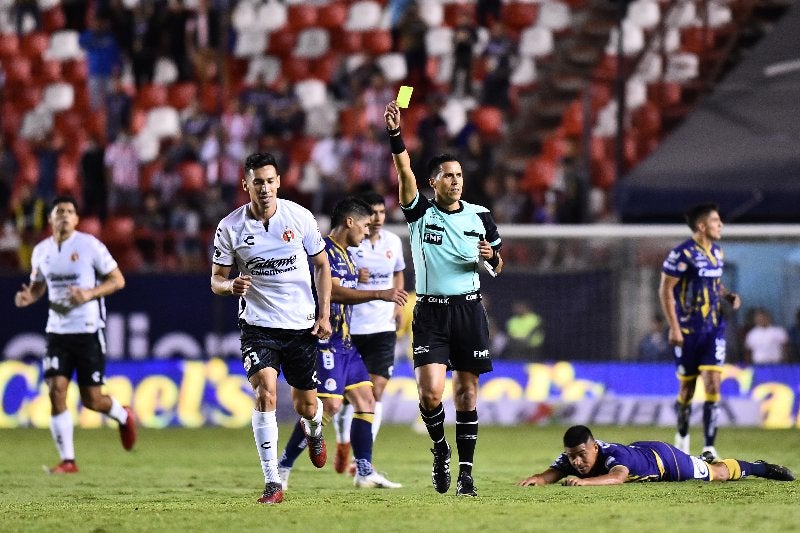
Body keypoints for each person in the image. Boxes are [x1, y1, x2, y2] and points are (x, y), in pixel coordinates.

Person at [384, 100, 504, 497]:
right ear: (433, 183)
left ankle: (466, 475)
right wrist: (396, 135)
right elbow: (404, 170)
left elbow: (497, 264)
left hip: (469, 309)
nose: (456, 181)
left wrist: (491, 258)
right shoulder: (419, 213)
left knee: (467, 393)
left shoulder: (481, 216)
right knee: (430, 392)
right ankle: (440, 449)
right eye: (448, 176)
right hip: (431, 313)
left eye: (459, 175)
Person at [210, 152, 332, 505]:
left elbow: (322, 266)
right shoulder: (230, 227)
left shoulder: (300, 217)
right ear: (245, 185)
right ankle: (272, 481)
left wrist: (324, 314)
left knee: (306, 405)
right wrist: (230, 285)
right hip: (258, 325)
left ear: (278, 182)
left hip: (300, 325)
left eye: (269, 181)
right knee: (265, 392)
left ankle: (314, 428)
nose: (264, 188)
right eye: (257, 182)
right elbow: (216, 280)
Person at [277, 197, 407, 489]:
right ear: (349, 222)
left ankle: (364, 471)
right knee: (330, 406)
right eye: (364, 225)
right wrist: (379, 293)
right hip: (325, 342)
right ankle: (282, 466)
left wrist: (360, 279)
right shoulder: (323, 251)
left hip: (346, 343)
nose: (367, 231)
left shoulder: (348, 255)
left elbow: (345, 287)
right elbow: (332, 292)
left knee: (366, 400)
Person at [13, 195, 135, 474]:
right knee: (56, 391)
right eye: (60, 211)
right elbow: (37, 286)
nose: (65, 215)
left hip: (88, 330)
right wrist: (29, 297)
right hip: (57, 332)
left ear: (77, 219)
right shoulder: (40, 251)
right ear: (51, 218)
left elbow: (118, 280)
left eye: (70, 211)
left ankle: (122, 415)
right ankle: (68, 460)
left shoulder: (90, 245)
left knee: (92, 400)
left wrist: (89, 294)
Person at [659, 202, 741, 462]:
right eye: (716, 221)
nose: (721, 225)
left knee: (713, 383)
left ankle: (709, 447)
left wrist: (727, 295)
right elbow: (665, 289)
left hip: (713, 328)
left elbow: (714, 282)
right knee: (687, 389)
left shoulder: (717, 252)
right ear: (702, 226)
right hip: (687, 331)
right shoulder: (682, 254)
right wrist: (674, 327)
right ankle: (682, 437)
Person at [332, 191, 407, 474]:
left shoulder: (393, 242)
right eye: (372, 213)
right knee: (344, 397)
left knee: (376, 392)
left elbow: (398, 272)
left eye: (382, 212)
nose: (377, 218)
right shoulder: (351, 242)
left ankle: (362, 459)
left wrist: (398, 305)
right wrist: (355, 276)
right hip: (352, 326)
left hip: (383, 327)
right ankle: (343, 441)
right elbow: (334, 281)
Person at [516, 425, 795, 486]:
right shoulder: (572, 457)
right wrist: (537, 479)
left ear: (595, 448)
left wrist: (584, 482)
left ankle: (760, 468)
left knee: (717, 474)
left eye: (581, 455)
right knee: (706, 466)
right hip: (641, 449)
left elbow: (618, 478)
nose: (576, 462)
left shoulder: (612, 455)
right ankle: (701, 459)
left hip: (665, 461)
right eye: (571, 457)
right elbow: (552, 473)